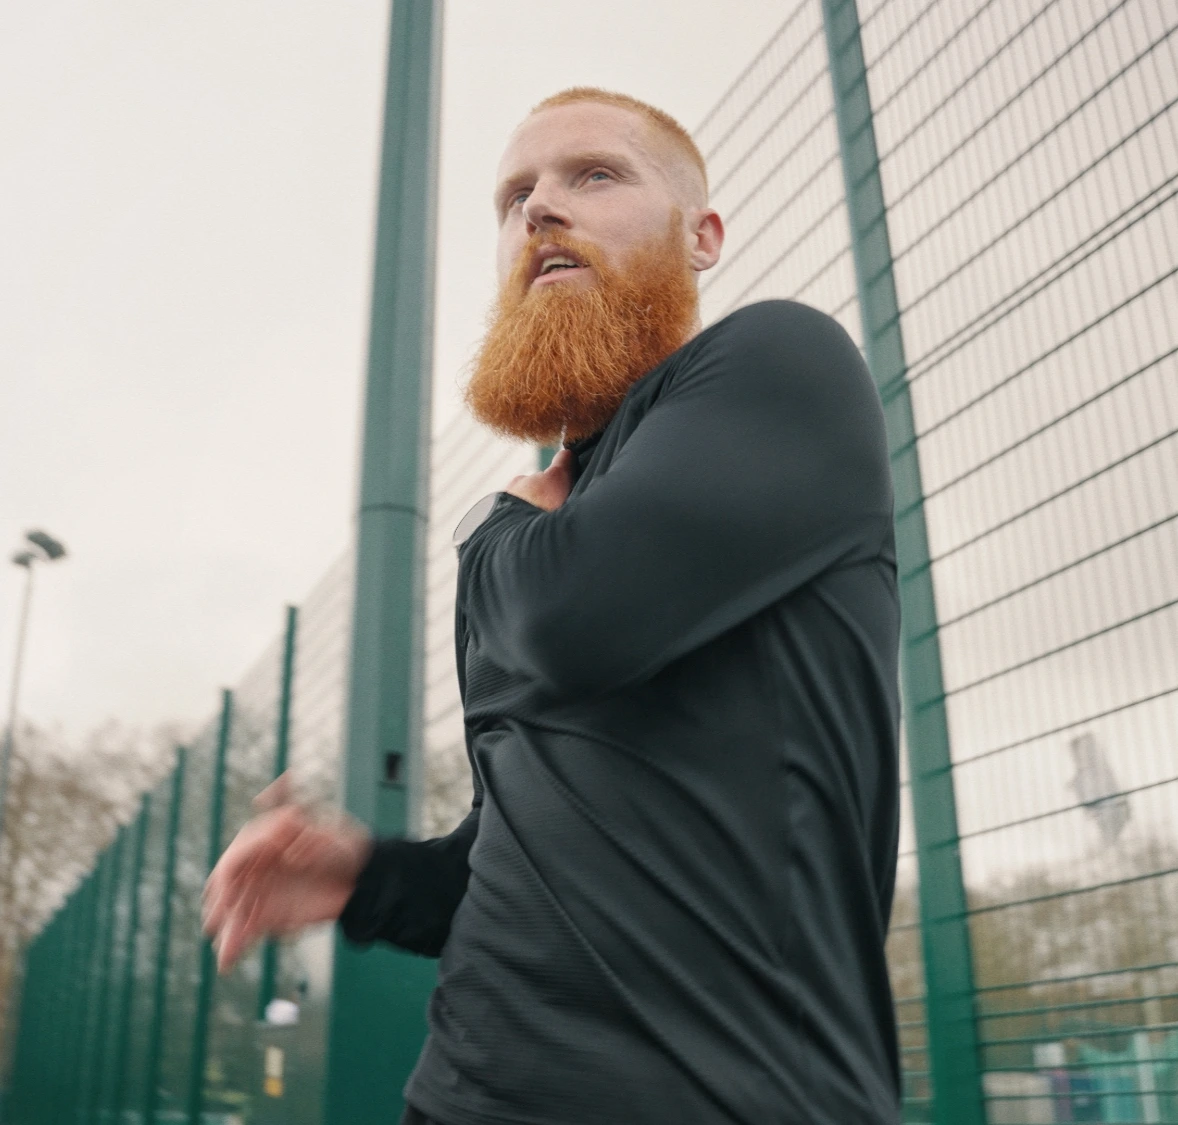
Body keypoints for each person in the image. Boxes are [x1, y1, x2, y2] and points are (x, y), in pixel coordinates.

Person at [203, 87, 902, 1125]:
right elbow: (520, 849)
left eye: (595, 174)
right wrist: (362, 875)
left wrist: (494, 531)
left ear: (702, 236)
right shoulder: (547, 521)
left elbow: (575, 622)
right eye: (512, 197)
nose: (538, 207)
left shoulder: (779, 363)